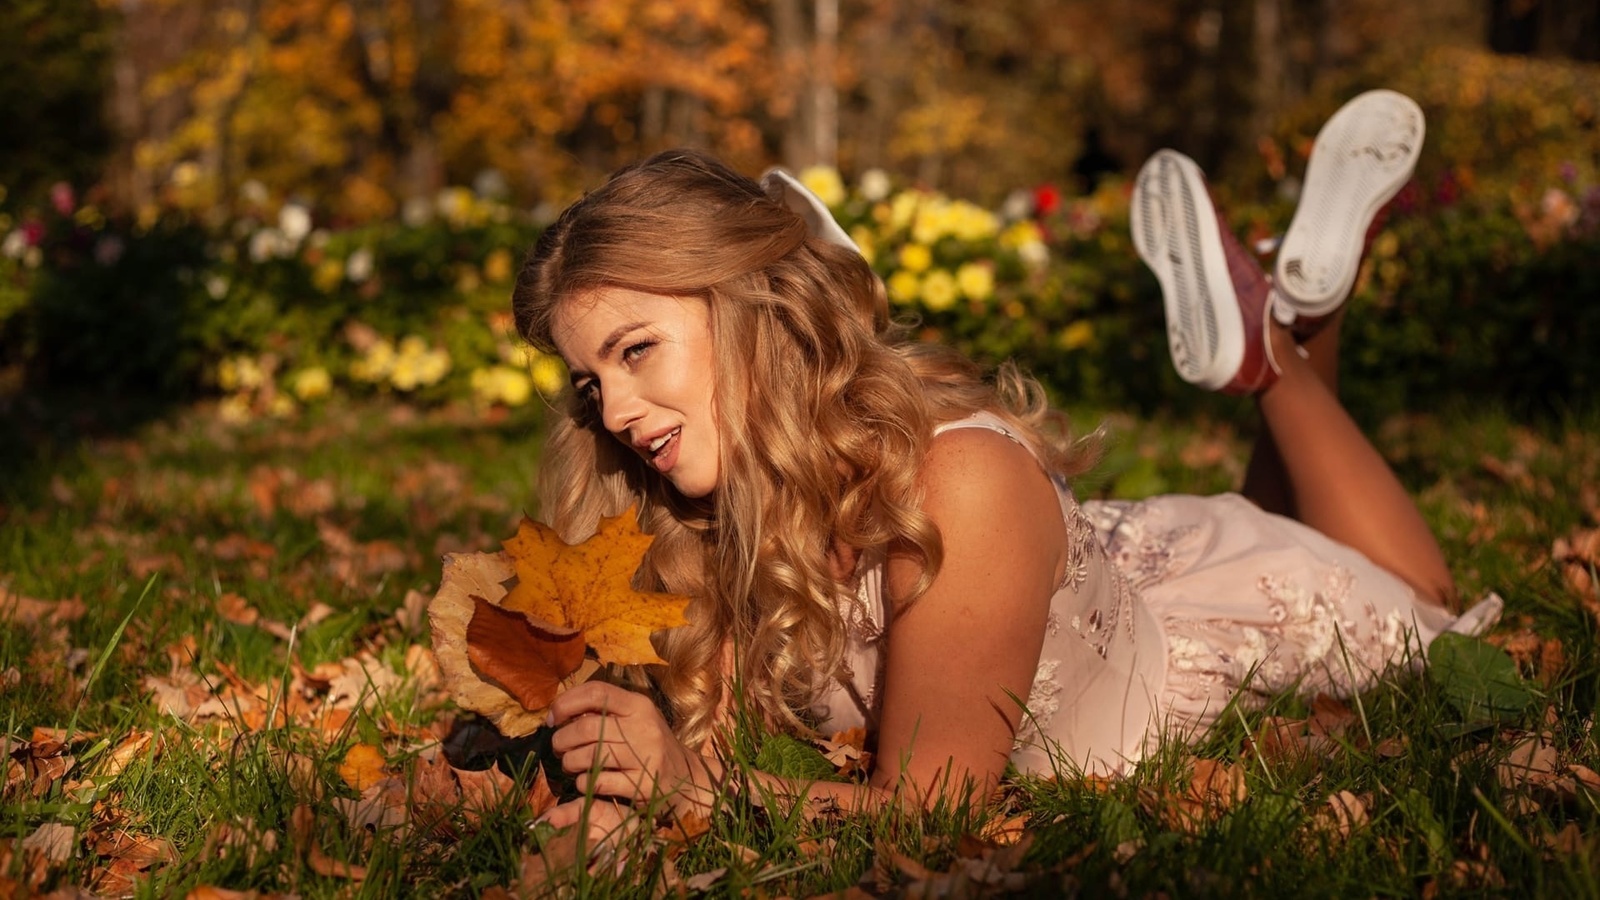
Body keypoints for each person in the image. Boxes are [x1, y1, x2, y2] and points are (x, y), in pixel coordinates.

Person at [511, 89, 1501, 843]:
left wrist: (696, 792)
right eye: (590, 380)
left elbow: (933, 808)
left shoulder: (962, 487)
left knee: (1422, 597)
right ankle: (1290, 320)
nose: (616, 411)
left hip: (1238, 631)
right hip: (1121, 588)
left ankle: (1276, 358)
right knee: (1280, 509)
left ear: (751, 310)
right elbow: (699, 755)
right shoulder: (709, 512)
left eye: (636, 350)